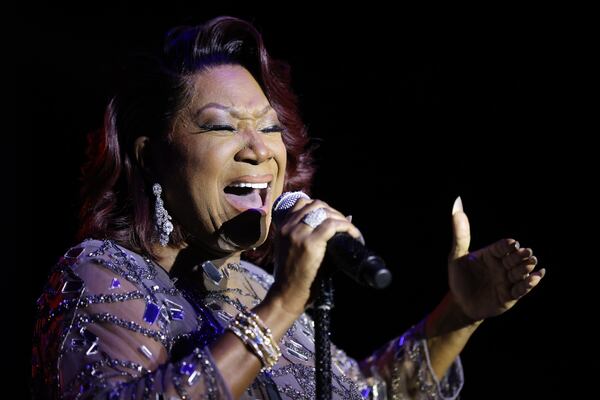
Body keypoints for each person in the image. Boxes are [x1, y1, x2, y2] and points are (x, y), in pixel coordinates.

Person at [31, 16, 545, 399]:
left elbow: (365, 394)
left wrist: (457, 314)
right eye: (221, 126)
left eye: (269, 126)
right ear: (151, 158)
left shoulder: (252, 287)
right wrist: (281, 305)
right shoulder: (100, 273)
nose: (261, 150)